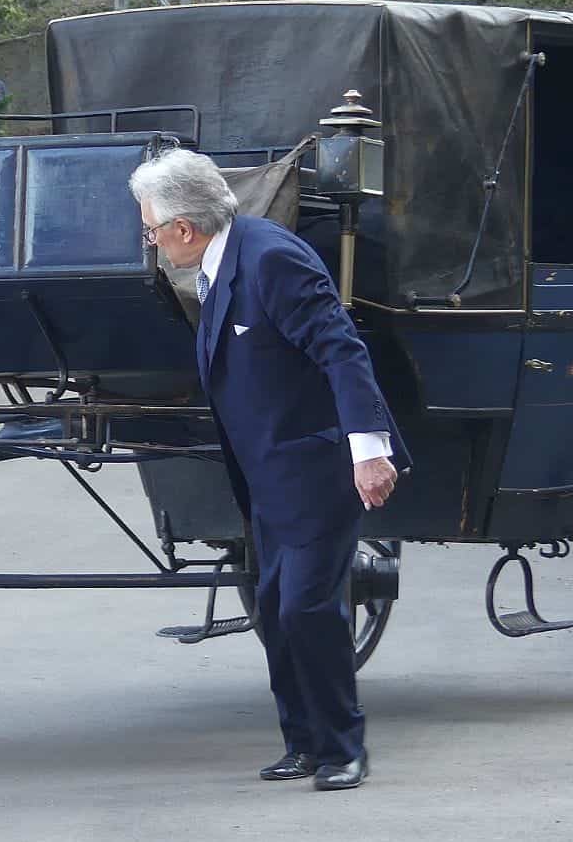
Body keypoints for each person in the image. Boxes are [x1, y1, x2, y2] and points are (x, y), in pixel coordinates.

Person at [128, 148, 406, 792]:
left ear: (184, 228)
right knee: (277, 607)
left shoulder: (270, 257)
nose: (151, 242)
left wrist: (370, 449)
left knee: (307, 606)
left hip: (317, 465)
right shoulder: (222, 260)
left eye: (152, 230)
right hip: (268, 473)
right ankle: (303, 743)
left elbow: (341, 349)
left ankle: (343, 749)